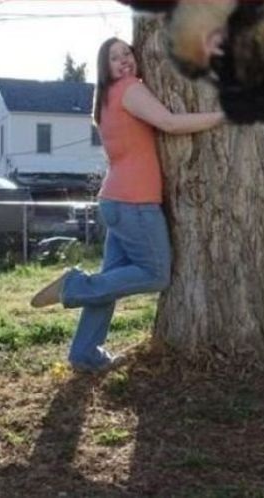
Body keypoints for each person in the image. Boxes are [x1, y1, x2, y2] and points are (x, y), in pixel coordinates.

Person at [30, 37, 224, 373]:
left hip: (115, 201)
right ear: (104, 68)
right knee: (156, 274)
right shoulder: (129, 89)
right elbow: (170, 123)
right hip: (135, 202)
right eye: (114, 57)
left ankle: (85, 353)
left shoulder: (105, 98)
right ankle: (73, 286)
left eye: (127, 53)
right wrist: (222, 116)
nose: (124, 60)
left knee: (111, 280)